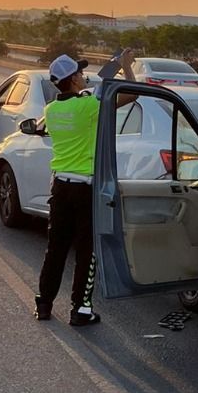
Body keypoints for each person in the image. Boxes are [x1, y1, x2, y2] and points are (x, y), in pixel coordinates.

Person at [34, 51, 133, 325]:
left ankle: (44, 304)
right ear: (74, 79)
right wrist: (124, 66)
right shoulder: (88, 106)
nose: (83, 76)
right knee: (86, 251)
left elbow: (96, 90)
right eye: (79, 73)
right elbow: (128, 94)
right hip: (84, 189)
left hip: (60, 187)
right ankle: (81, 310)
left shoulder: (51, 110)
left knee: (55, 249)